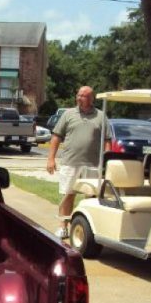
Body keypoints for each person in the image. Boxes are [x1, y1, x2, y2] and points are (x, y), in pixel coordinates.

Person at [46, 86, 111, 239]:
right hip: (70, 162)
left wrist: (108, 161)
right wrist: (51, 159)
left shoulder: (101, 116)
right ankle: (63, 226)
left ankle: (88, 229)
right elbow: (56, 137)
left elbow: (107, 140)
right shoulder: (68, 114)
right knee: (68, 195)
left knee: (92, 197)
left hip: (93, 164)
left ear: (91, 98)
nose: (79, 98)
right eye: (78, 95)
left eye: (83, 95)